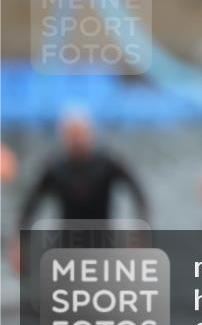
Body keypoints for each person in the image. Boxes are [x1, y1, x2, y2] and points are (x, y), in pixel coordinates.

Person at [12, 109, 149, 271]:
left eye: (81, 134)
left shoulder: (107, 164)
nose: (77, 139)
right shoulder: (55, 169)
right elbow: (30, 207)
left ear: (91, 134)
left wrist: (141, 232)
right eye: (72, 134)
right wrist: (20, 243)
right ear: (64, 136)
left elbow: (138, 194)